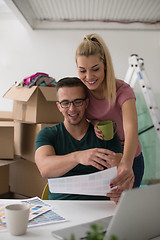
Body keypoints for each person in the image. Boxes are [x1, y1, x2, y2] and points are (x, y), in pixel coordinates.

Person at [75, 33, 144, 196]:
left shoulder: (122, 90)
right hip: (102, 159)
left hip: (129, 157)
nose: (89, 77)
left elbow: (131, 128)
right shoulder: (82, 91)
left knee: (123, 211)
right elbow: (80, 116)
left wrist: (126, 163)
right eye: (82, 70)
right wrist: (93, 123)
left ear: (105, 65)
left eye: (95, 69)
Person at [35, 77, 123, 203]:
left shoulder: (104, 133)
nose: (72, 109)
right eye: (65, 103)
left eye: (77, 102)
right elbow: (44, 168)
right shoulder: (48, 134)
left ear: (86, 103)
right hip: (62, 209)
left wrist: (120, 189)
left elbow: (119, 168)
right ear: (58, 106)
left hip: (100, 208)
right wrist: (78, 157)